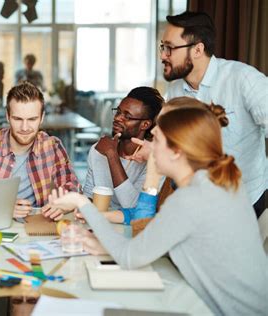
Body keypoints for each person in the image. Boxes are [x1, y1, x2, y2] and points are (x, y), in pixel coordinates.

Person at [51, 107, 268, 315]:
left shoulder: (189, 199)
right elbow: (163, 240)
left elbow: (129, 257)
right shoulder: (221, 181)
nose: (149, 148)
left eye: (155, 141)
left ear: (176, 152)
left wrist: (81, 202)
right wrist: (107, 247)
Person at [161, 11, 268, 217]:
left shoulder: (243, 79)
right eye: (162, 47)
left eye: (170, 48)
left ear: (198, 49)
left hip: (244, 202)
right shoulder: (174, 91)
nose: (163, 55)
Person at [0, 82, 79, 219]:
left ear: (42, 118)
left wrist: (64, 203)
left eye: (32, 119)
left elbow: (72, 186)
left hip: (37, 225)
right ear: (8, 117)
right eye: (17, 119)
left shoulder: (53, 146)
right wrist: (3, 207)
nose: (25, 128)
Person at [82, 87, 163, 221]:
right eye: (118, 112)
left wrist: (112, 156)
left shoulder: (153, 159)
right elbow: (89, 195)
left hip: (133, 229)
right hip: (101, 224)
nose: (118, 118)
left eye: (127, 116)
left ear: (145, 124)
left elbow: (134, 208)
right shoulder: (98, 150)